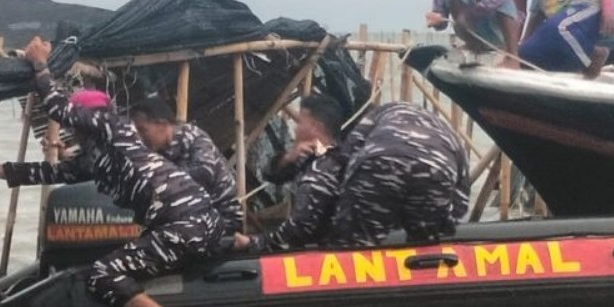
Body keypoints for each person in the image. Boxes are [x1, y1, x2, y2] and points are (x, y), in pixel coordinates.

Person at [0, 37, 222, 307]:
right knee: (106, 264)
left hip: (187, 224)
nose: (74, 130)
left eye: (77, 125)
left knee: (102, 274)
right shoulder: (98, 157)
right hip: (184, 226)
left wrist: (40, 65)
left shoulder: (113, 124)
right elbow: (48, 172)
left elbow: (60, 109)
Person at [328, 101, 469, 246]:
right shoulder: (448, 132)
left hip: (380, 161)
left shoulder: (375, 115)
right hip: (436, 170)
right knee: (427, 246)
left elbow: (345, 156)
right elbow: (461, 198)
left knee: (356, 242)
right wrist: (446, 223)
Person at [233, 95, 345, 252]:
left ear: (316, 127)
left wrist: (252, 242)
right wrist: (288, 158)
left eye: (300, 123)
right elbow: (271, 175)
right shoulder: (318, 156)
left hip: (324, 256)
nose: (295, 128)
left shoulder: (322, 170)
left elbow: (299, 230)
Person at [130, 96, 244, 234]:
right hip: (187, 221)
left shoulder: (193, 137)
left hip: (222, 219)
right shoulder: (152, 154)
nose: (140, 138)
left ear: (162, 125)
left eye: (143, 130)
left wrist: (161, 181)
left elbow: (204, 173)